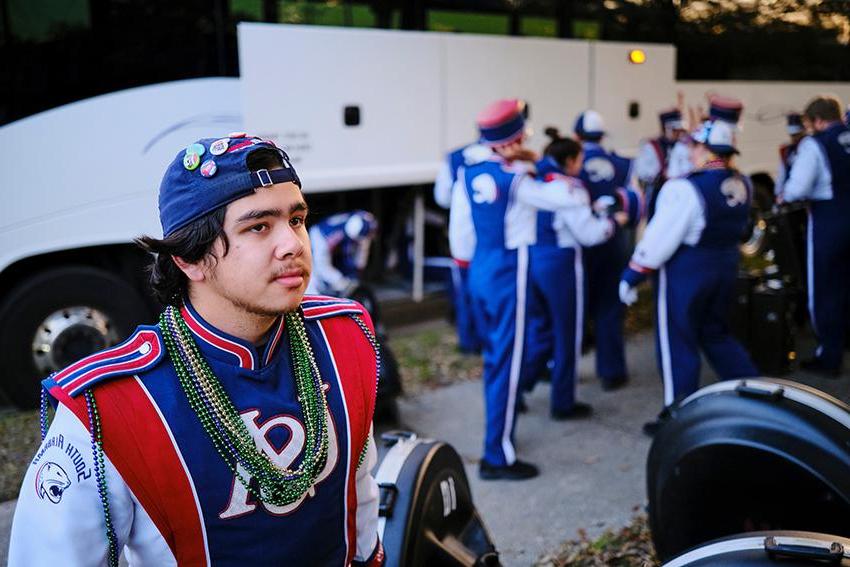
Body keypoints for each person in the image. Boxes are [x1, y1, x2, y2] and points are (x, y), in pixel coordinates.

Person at [9, 135, 385, 566]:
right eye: (258, 226)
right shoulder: (106, 406)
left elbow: (360, 490)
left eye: (296, 219)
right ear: (189, 258)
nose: (293, 244)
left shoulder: (345, 336)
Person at [449, 99, 577, 480]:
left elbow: (461, 237)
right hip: (510, 271)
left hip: (481, 270)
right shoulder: (517, 179)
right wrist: (543, 166)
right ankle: (497, 455)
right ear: (515, 138)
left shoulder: (468, 174)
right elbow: (566, 199)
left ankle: (498, 442)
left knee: (496, 359)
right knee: (508, 361)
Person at [620, 107, 759, 436]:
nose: (691, 150)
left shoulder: (684, 188)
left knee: (677, 341)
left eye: (695, 146)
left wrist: (632, 274)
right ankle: (756, 394)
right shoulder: (743, 183)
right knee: (716, 334)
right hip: (724, 267)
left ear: (704, 149)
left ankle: (678, 416)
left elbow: (659, 240)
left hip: (688, 272)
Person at [524, 128, 628, 420]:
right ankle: (563, 402)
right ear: (570, 161)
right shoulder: (571, 188)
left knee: (539, 332)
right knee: (568, 333)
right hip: (562, 265)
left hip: (533, 261)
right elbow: (590, 234)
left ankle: (519, 387)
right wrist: (614, 222)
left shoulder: (533, 180)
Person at [780, 94, 850, 376]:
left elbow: (798, 188)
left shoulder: (815, 144)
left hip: (828, 222)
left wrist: (784, 195)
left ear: (818, 121)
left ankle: (829, 356)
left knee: (823, 291)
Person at [573, 110, 632, 391]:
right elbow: (634, 200)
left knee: (574, 308)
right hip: (614, 241)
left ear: (577, 136)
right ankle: (612, 371)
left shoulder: (572, 162)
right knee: (610, 305)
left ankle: (564, 370)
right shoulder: (620, 162)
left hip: (581, 243)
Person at [434, 142, 491, 353]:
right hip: (487, 241)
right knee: (485, 293)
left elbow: (442, 197)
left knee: (464, 292)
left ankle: (469, 341)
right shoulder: (498, 162)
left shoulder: (456, 161)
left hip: (462, 241)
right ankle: (486, 341)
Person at [306, 209, 378, 296]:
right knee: (317, 275)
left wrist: (358, 270)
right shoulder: (326, 238)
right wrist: (340, 281)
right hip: (321, 236)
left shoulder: (364, 221)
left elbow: (363, 247)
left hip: (341, 237)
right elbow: (322, 264)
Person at [635, 108, 688, 219]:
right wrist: (659, 173)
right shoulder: (651, 146)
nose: (678, 133)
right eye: (674, 130)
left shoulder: (683, 146)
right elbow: (642, 171)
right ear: (666, 128)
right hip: (657, 191)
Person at [774, 113, 806, 199]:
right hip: (790, 196)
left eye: (797, 135)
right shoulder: (786, 150)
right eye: (792, 135)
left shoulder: (810, 149)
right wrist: (778, 193)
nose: (794, 138)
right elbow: (782, 174)